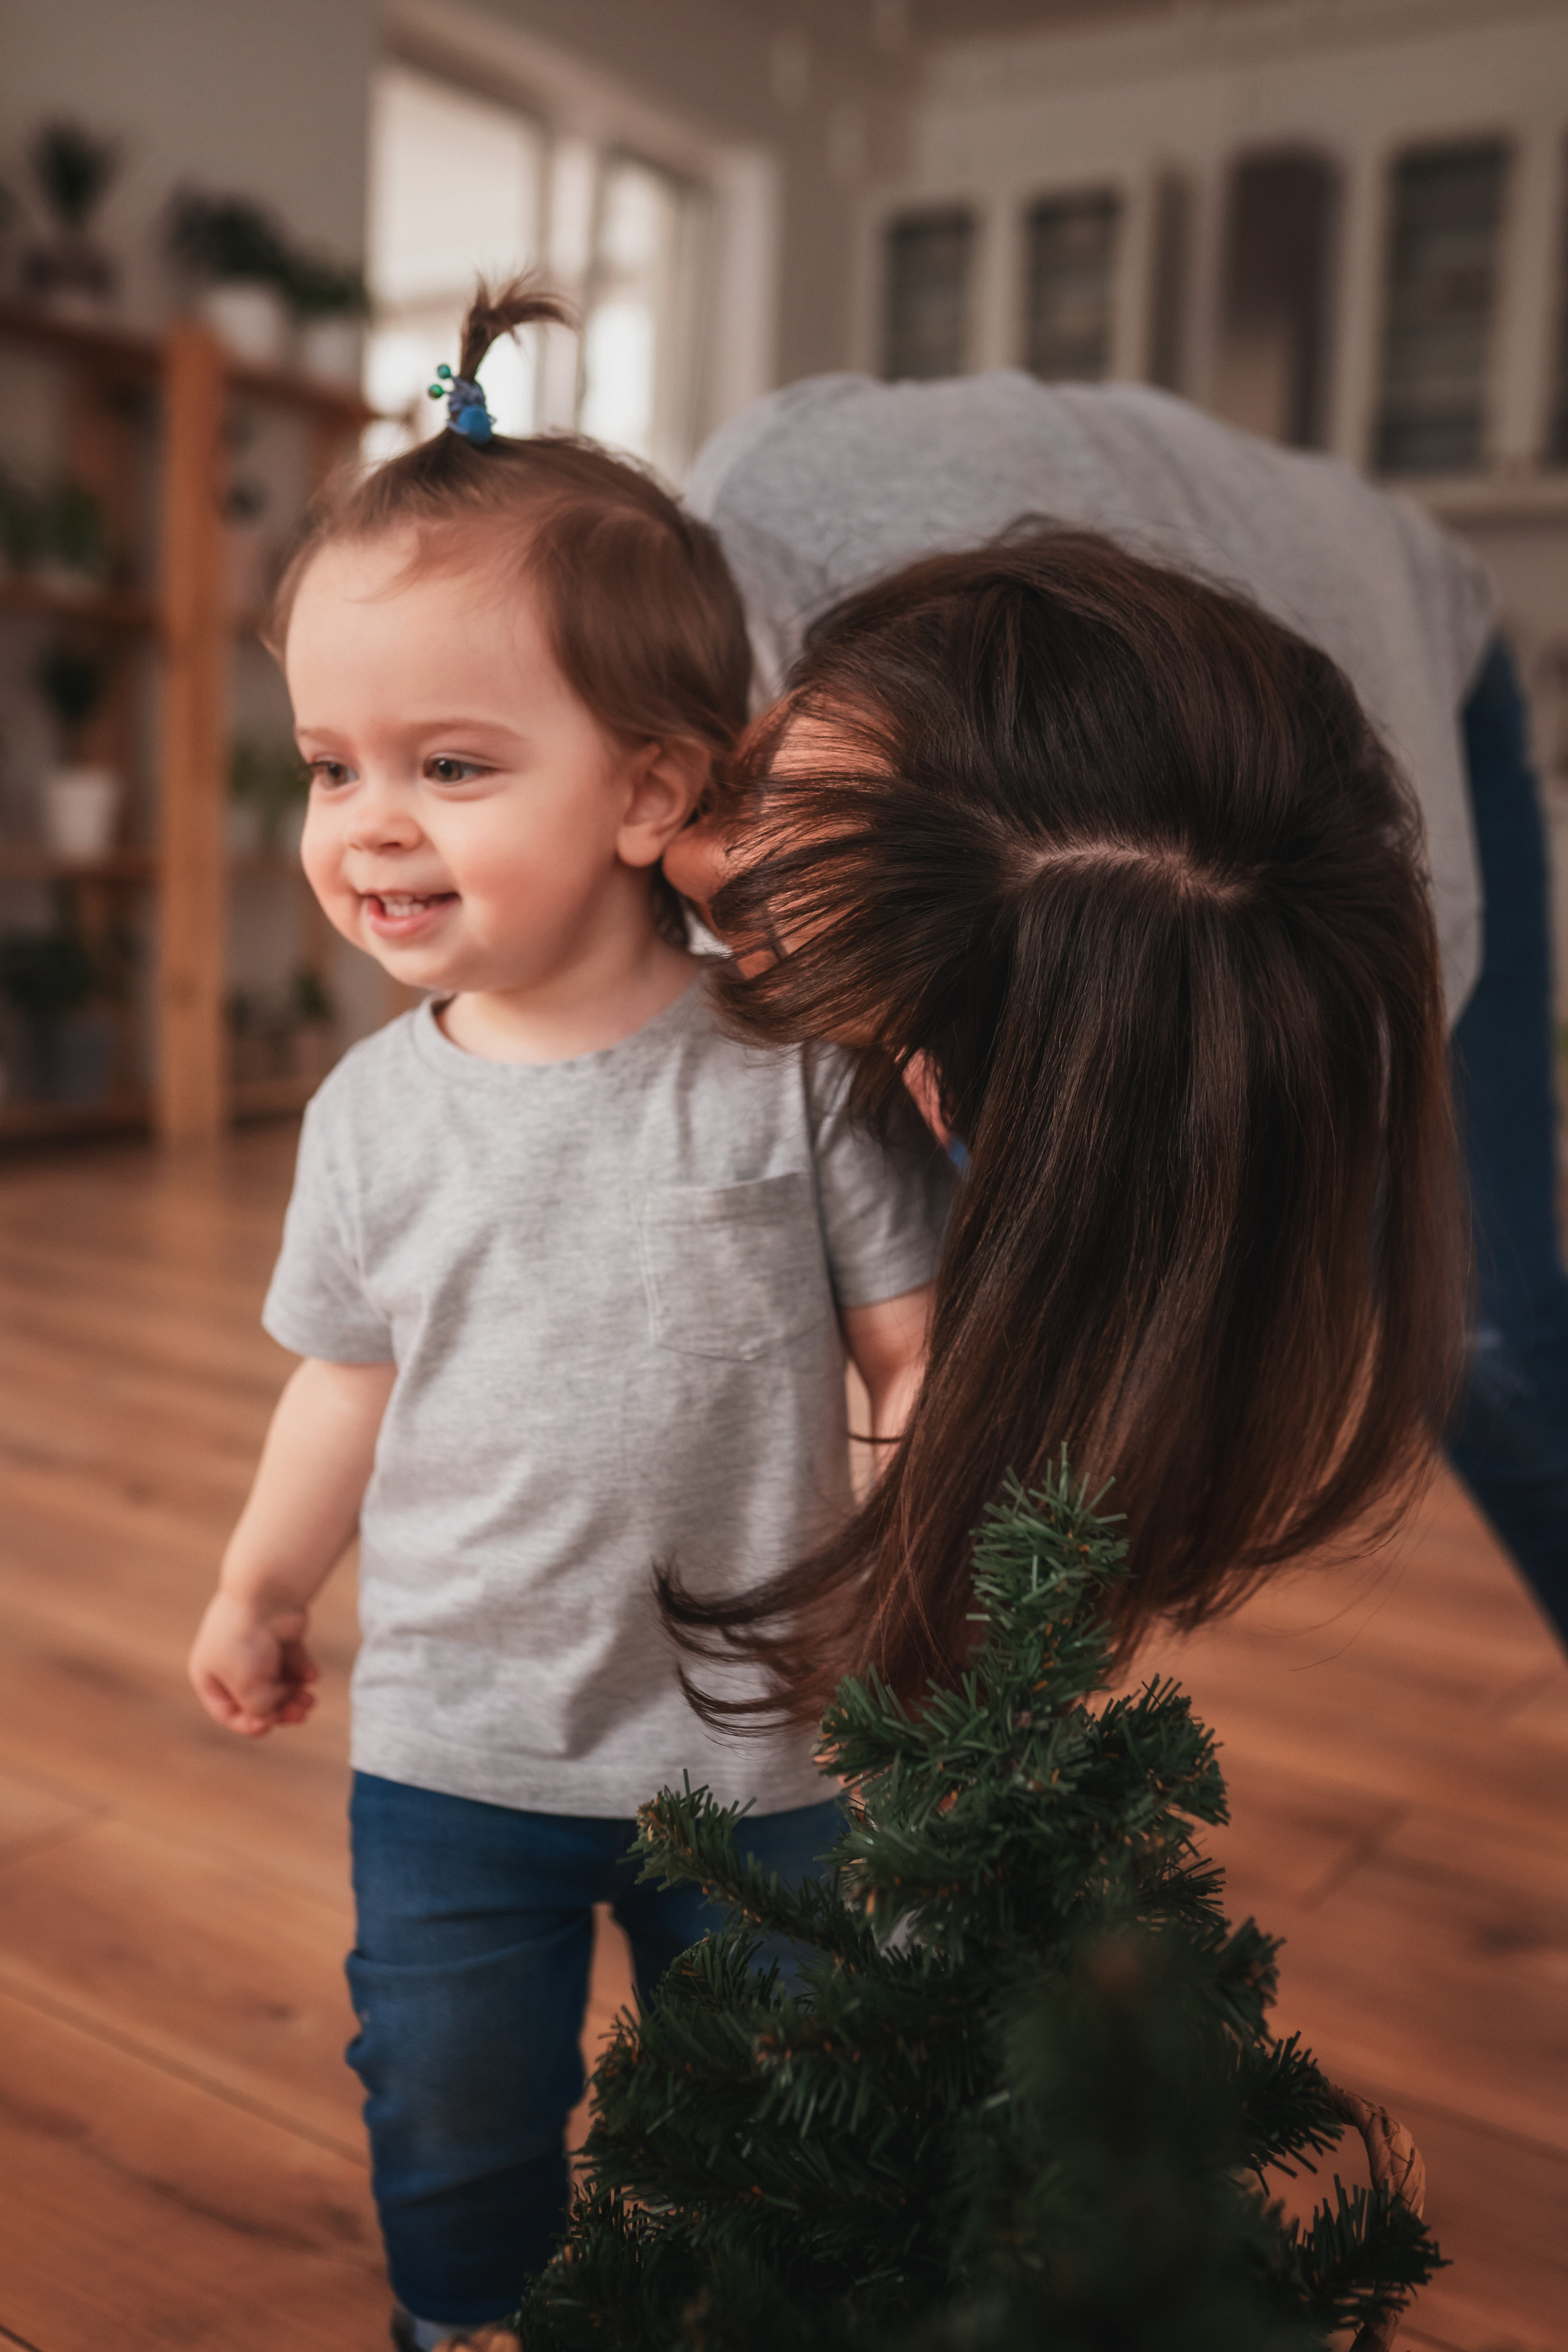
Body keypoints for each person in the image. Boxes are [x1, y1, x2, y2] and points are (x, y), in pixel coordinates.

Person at [185, 284, 953, 2350]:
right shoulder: (366, 1116)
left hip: (762, 1747)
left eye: (449, 763)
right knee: (449, 2109)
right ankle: (462, 2322)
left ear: (648, 793)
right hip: (457, 1751)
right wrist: (264, 1583)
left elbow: (913, 1347)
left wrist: (903, 1575)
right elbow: (342, 1379)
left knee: (780, 2110)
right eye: (329, 765)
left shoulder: (798, 1071)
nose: (367, 826)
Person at [679, 369, 1568, 1648]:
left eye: (768, 929)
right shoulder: (757, 522)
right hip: (1122, 560)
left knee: (1497, 1363)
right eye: (752, 781)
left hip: (1413, 628)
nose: (683, 862)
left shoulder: (1396, 962)